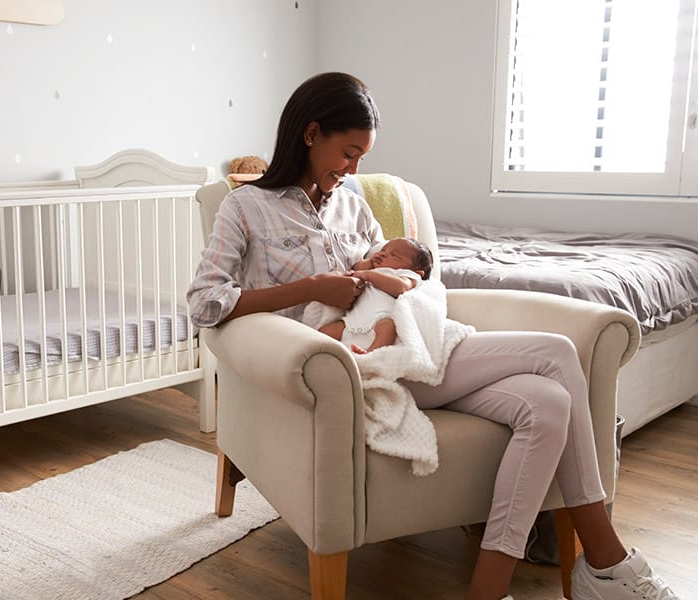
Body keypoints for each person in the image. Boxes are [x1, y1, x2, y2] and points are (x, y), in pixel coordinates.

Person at [186, 72, 679, 600]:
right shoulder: (246, 208)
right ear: (311, 134)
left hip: (412, 347)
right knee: (557, 353)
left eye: (360, 159)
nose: (352, 170)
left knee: (548, 402)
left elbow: (405, 281)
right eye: (348, 154)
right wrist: (310, 286)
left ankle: (487, 590)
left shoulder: (353, 205)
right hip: (349, 369)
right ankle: (607, 563)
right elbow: (205, 302)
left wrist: (389, 280)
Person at [310, 237, 434, 354]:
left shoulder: (406, 275)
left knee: (388, 328)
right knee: (324, 332)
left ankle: (371, 353)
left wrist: (369, 275)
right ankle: (319, 353)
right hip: (351, 322)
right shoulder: (372, 269)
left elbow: (401, 287)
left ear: (417, 272)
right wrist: (370, 262)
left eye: (395, 255)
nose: (384, 254)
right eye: (383, 250)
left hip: (381, 319)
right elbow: (355, 267)